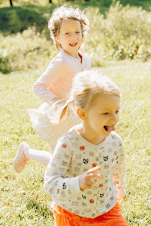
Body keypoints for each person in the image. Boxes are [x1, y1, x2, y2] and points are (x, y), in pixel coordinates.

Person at [44, 70, 133, 226]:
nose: (114, 118)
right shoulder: (68, 143)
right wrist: (77, 183)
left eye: (116, 111)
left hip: (105, 208)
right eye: (105, 113)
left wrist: (120, 186)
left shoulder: (115, 141)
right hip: (75, 213)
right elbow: (51, 182)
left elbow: (119, 166)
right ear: (82, 113)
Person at [13, 5, 91, 172]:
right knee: (58, 164)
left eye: (77, 32)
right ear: (57, 37)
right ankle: (27, 151)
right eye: (67, 33)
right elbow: (38, 86)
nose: (73, 37)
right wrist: (57, 103)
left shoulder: (85, 60)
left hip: (77, 116)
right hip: (59, 118)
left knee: (79, 155)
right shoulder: (61, 62)